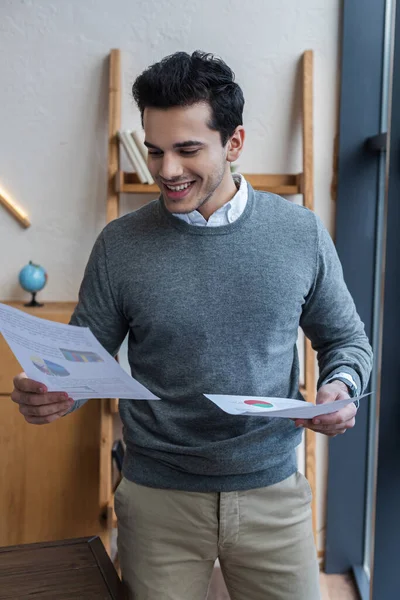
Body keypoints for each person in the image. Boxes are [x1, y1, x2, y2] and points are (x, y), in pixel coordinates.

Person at [11, 51, 372, 600]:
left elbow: (346, 340)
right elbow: (81, 358)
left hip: (271, 490)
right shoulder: (120, 244)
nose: (166, 170)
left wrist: (340, 387)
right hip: (158, 496)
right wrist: (55, 393)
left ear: (234, 143)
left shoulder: (299, 234)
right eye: (155, 151)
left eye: (187, 149)